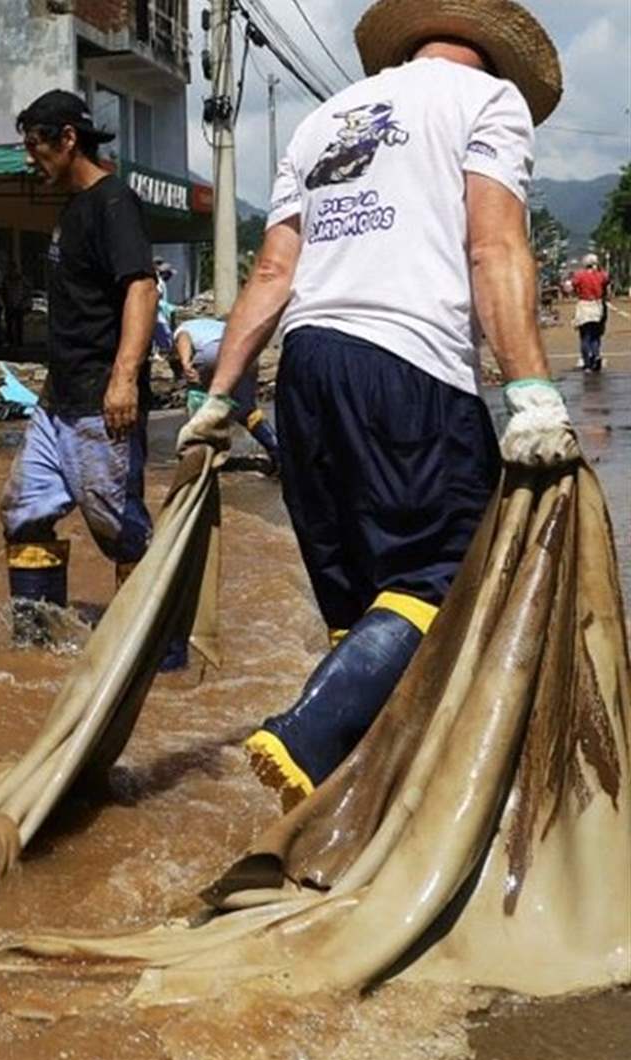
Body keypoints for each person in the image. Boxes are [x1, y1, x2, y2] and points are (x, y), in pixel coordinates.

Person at [179, 0, 578, 808]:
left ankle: (354, 810)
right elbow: (494, 245)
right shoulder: (487, 102)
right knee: (449, 573)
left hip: (310, 372)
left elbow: (271, 275)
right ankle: (306, 739)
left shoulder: (323, 119)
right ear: (497, 63)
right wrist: (533, 393)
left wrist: (219, 397)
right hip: (410, 366)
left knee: (366, 604)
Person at [0, 90, 164, 653]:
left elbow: (141, 287)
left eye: (35, 146)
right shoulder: (72, 208)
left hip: (100, 402)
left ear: (68, 139)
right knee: (22, 511)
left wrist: (124, 379)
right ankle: (37, 648)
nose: (29, 159)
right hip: (57, 402)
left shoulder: (114, 202)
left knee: (122, 533)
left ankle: (150, 657)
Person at [170, 316, 283, 471]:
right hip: (246, 353)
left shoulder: (183, 327)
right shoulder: (221, 325)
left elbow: (184, 337)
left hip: (212, 352)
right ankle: (277, 451)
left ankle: (201, 457)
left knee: (200, 400)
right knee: (248, 410)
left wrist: (185, 362)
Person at [573, 252, 611, 372]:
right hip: (597, 305)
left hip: (584, 305)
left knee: (585, 336)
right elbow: (606, 283)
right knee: (595, 335)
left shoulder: (579, 275)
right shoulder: (601, 275)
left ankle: (587, 363)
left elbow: (573, 286)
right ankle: (596, 355)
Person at [3, 266, 29, 348]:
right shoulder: (6, 280)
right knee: (9, 324)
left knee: (19, 325)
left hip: (19, 304)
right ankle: (10, 340)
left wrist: (23, 301)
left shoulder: (22, 280)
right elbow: (4, 291)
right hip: (10, 304)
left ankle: (19, 341)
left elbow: (27, 290)